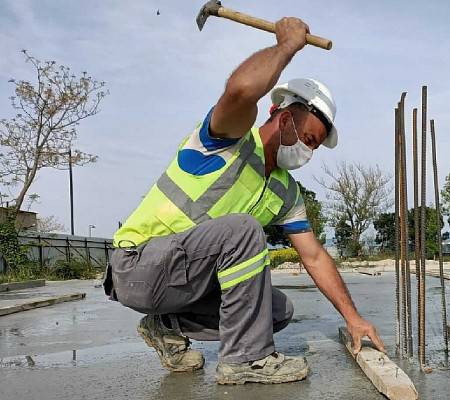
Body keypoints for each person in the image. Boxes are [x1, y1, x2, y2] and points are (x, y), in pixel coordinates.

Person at [104, 17, 385, 385]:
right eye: (309, 140)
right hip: (139, 265)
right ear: (284, 119)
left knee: (274, 309)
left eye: (315, 147)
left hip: (182, 281)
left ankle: (167, 326)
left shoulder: (286, 190)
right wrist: (286, 47)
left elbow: (314, 256)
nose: (308, 153)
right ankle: (245, 360)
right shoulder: (228, 139)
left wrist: (354, 318)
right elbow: (239, 92)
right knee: (243, 229)